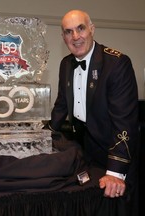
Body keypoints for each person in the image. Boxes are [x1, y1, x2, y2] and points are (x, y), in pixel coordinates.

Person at [48, 10, 139, 215]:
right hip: (85, 150)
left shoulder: (117, 63)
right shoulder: (65, 64)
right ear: (63, 37)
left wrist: (116, 171)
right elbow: (62, 104)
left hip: (115, 151)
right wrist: (45, 135)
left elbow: (124, 121)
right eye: (68, 32)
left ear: (92, 29)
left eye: (80, 28)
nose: (75, 36)